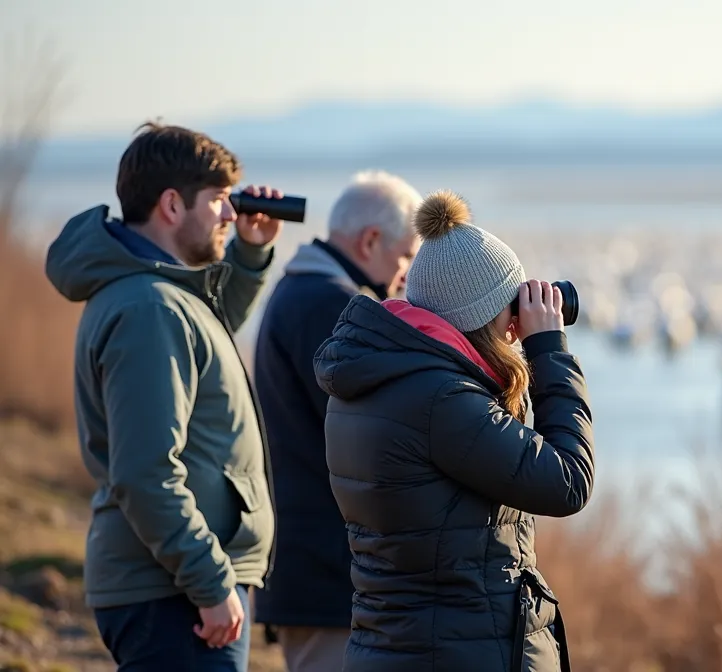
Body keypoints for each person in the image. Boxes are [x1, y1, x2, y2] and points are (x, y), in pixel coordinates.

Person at [313, 190, 595, 671]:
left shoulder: (376, 379)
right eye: (512, 308)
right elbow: (568, 481)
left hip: (397, 645)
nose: (516, 325)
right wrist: (548, 349)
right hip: (457, 651)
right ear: (485, 319)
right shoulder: (443, 401)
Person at [44, 121, 284, 671]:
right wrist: (209, 580)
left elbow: (208, 339)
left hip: (174, 586)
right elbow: (145, 471)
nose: (230, 214)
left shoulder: (160, 294)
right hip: (173, 593)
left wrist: (247, 255)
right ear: (172, 205)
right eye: (220, 200)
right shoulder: (150, 309)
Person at [251, 170, 422, 671]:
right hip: (329, 577)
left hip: (313, 571)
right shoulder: (333, 306)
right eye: (407, 254)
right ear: (371, 240)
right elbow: (380, 436)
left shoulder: (302, 291)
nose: (407, 272)